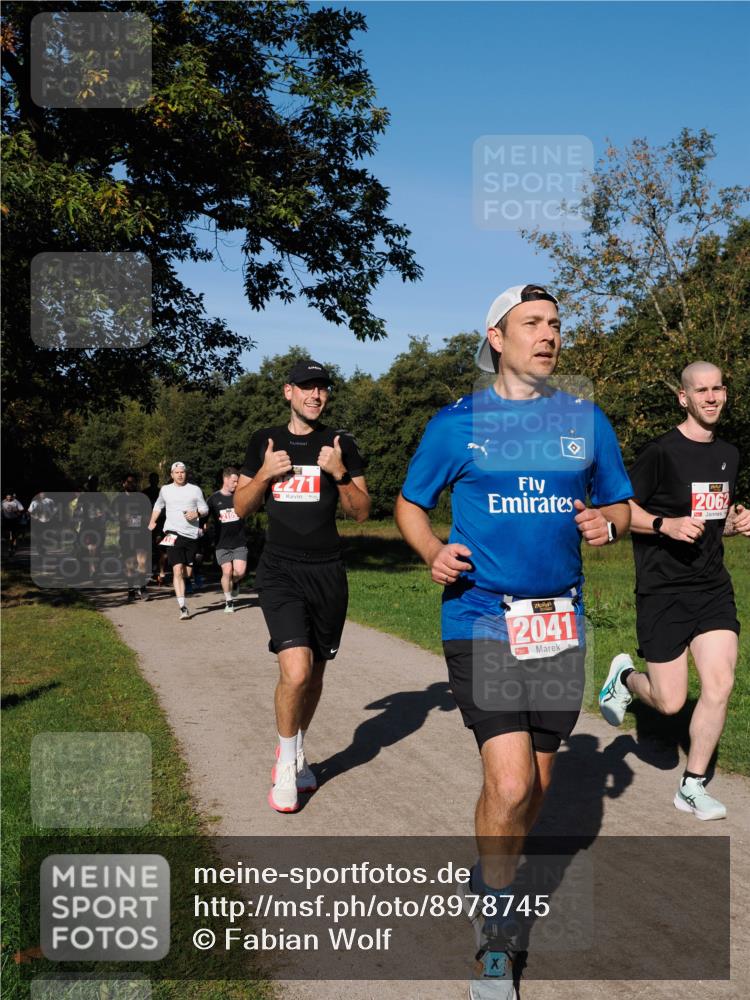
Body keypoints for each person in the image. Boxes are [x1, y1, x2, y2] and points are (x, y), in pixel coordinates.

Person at [395, 285, 632, 998]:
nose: (548, 334)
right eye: (532, 323)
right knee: (510, 782)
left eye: (555, 323)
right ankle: (495, 936)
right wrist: (430, 548)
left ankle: (488, 871)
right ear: (496, 337)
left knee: (539, 786)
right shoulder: (456, 425)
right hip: (481, 617)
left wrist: (610, 524)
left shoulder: (585, 421)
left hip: (558, 623)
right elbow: (411, 503)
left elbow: (618, 501)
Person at [599, 361, 748, 821]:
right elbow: (621, 509)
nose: (710, 397)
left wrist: (738, 523)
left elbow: (711, 520)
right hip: (663, 590)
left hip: (711, 587)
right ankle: (623, 678)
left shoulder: (730, 453)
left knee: (720, 683)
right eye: (700, 390)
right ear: (683, 398)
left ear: (725, 393)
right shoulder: (660, 452)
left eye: (717, 388)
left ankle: (693, 785)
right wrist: (665, 524)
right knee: (670, 702)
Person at [234, 359, 370, 813]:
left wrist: (339, 473)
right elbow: (241, 506)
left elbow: (362, 511)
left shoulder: (341, 444)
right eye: (307, 388)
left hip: (328, 571)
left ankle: (296, 751)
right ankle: (287, 765)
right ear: (287, 391)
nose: (315, 395)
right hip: (280, 570)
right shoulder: (265, 441)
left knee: (314, 674)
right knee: (294, 670)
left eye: (322, 388)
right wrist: (264, 475)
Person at [148, 462, 208, 620]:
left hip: (191, 535)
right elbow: (158, 505)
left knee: (186, 572)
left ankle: (188, 578)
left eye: (183, 472)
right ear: (171, 474)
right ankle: (183, 607)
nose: (180, 475)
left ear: (186, 473)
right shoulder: (165, 490)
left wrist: (196, 514)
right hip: (172, 532)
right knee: (176, 569)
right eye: (177, 472)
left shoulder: (194, 490)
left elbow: (205, 509)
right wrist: (152, 521)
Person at [207, 466, 247, 613]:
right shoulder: (213, 499)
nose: (236, 484)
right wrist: (202, 525)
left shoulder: (240, 495)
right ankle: (229, 601)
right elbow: (204, 514)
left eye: (237, 482)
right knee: (227, 571)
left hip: (239, 541)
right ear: (225, 479)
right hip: (222, 543)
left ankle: (236, 582)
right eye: (234, 481)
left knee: (239, 572)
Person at [111, 472, 152, 603]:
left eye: (133, 482)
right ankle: (131, 590)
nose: (131, 484)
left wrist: (136, 518)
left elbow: (149, 516)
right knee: (129, 564)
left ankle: (142, 587)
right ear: (123, 484)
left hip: (141, 534)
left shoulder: (142, 498)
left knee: (142, 562)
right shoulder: (119, 499)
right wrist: (122, 518)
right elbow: (112, 516)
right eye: (128, 482)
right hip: (126, 535)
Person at [2, 492, 25, 557]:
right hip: (6, 520)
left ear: (12, 497)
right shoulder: (3, 502)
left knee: (13, 534)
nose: (9, 498)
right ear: (6, 497)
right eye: (7, 497)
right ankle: (11, 545)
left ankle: (11, 547)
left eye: (10, 497)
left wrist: (17, 512)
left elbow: (21, 509)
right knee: (7, 535)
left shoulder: (15, 502)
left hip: (14, 520)